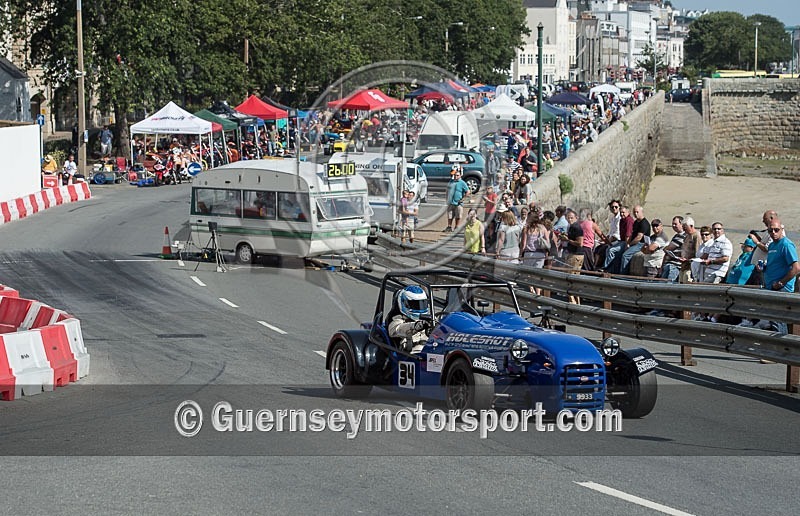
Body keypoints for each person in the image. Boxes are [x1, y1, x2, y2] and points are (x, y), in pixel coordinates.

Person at [388, 286, 431, 353]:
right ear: (404, 304)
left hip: (431, 347)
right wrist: (416, 326)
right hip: (412, 352)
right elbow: (396, 330)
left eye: (422, 304)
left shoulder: (427, 319)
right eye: (415, 305)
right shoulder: (398, 319)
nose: (419, 307)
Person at [445, 168, 470, 232]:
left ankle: (456, 227)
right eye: (455, 175)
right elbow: (447, 190)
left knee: (458, 215)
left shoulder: (462, 183)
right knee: (450, 215)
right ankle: (449, 226)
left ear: (460, 175)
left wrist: (463, 199)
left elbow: (468, 191)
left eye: (457, 175)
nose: (456, 176)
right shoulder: (451, 182)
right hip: (451, 202)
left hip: (458, 203)